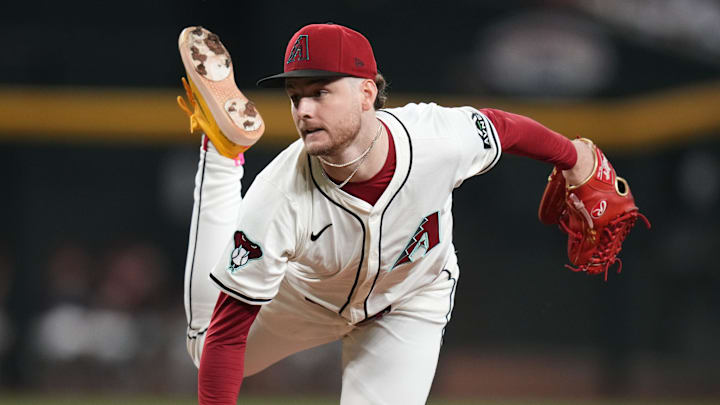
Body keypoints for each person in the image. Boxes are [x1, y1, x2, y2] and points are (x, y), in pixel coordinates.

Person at [179, 23, 596, 404]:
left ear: (367, 94)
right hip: (307, 300)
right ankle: (221, 150)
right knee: (205, 346)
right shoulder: (277, 196)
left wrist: (573, 156)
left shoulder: (435, 138)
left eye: (320, 92)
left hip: (409, 299)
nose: (304, 110)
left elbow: (505, 129)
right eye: (296, 96)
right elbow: (228, 338)